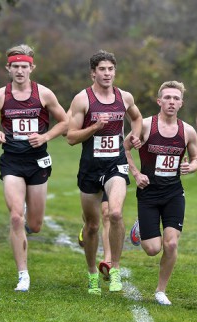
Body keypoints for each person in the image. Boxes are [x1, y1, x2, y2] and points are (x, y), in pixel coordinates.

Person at [0, 44, 68, 292]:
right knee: (16, 216)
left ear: (31, 68)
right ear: (8, 68)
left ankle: (27, 218)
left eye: (24, 66)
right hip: (12, 161)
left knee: (35, 225)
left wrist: (46, 137)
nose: (19, 70)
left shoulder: (44, 94)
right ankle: (23, 275)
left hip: (37, 161)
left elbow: (65, 121)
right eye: (15, 66)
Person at [66, 49, 142, 295]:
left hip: (115, 165)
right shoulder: (83, 100)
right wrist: (95, 127)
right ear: (93, 73)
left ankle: (115, 268)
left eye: (111, 69)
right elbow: (70, 137)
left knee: (116, 213)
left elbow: (137, 117)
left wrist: (134, 136)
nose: (107, 73)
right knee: (92, 226)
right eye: (102, 69)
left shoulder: (124, 97)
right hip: (90, 168)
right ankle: (91, 274)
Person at [124, 80, 197, 305]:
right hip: (148, 193)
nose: (171, 102)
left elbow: (195, 159)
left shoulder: (188, 131)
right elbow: (124, 149)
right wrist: (136, 174)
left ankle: (160, 291)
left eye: (176, 98)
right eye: (167, 97)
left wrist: (191, 166)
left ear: (181, 103)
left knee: (171, 244)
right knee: (152, 249)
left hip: (174, 193)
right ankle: (140, 226)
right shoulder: (146, 125)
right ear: (159, 101)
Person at [77, 193, 111, 280]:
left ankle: (108, 262)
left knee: (107, 213)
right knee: (91, 218)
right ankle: (87, 226)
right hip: (93, 180)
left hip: (109, 179)